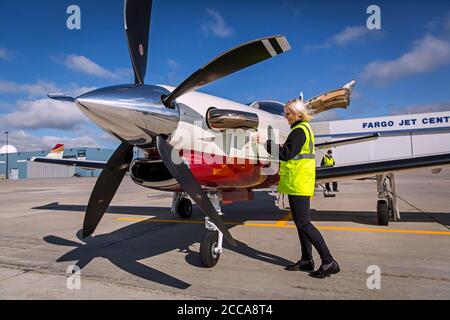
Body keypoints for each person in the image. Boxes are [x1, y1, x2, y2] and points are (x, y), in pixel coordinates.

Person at [259, 98, 340, 278]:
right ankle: (306, 260)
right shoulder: (301, 129)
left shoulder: (299, 130)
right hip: (297, 182)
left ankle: (329, 261)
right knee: (300, 224)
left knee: (304, 223)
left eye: (288, 113)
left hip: (299, 182)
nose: (286, 117)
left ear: (298, 114)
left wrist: (265, 143)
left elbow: (286, 154)